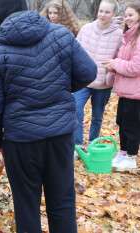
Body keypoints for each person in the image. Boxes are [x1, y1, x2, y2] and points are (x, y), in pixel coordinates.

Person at [0, 11, 96, 233]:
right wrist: (61, 88)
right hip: (59, 135)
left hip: (21, 141)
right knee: (62, 202)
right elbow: (89, 72)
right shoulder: (61, 35)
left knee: (26, 206)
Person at [73, 0, 123, 153]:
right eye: (101, 11)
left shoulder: (119, 34)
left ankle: (93, 145)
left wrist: (112, 70)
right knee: (76, 110)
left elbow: (120, 56)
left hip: (103, 83)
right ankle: (78, 146)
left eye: (107, 12)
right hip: (83, 81)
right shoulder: (86, 28)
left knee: (97, 116)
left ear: (113, 14)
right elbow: (75, 50)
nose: (103, 14)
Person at [105, 1, 140, 171]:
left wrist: (115, 63)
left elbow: (135, 67)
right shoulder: (128, 36)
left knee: (132, 125)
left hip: (136, 92)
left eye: (131, 15)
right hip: (125, 90)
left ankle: (132, 157)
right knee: (122, 122)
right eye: (126, 15)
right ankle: (124, 152)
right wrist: (112, 67)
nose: (127, 19)